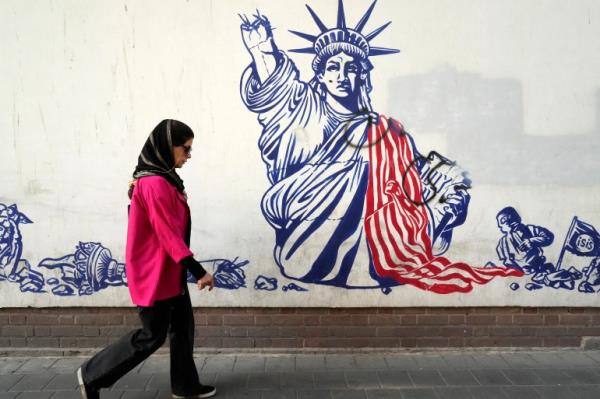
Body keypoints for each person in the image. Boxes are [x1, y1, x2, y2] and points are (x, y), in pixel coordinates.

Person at [239, 1, 521, 293]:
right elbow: (276, 93)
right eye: (333, 67)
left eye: (351, 68)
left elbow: (411, 173)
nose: (342, 76)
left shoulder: (386, 130)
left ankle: (381, 255)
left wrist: (444, 183)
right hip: (305, 222)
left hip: (379, 232)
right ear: (321, 75)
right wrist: (263, 50)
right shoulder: (304, 108)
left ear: (362, 75)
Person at [76, 119, 217, 399]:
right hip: (154, 272)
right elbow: (167, 234)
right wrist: (198, 270)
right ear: (167, 146)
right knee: (151, 337)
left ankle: (185, 386)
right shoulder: (154, 183)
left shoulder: (164, 178)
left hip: (169, 270)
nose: (188, 155)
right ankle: (91, 374)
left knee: (182, 327)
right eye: (185, 149)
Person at [496, 206, 555, 274]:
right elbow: (507, 261)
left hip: (541, 267)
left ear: (518, 218)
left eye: (511, 220)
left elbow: (549, 237)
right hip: (522, 274)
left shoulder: (530, 229)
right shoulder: (503, 243)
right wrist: (520, 270)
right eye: (503, 222)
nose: (510, 224)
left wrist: (532, 241)